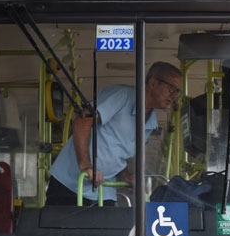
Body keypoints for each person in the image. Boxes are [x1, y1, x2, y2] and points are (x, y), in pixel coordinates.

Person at [46, 61, 183, 206]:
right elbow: (83, 121)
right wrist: (86, 165)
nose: (174, 96)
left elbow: (117, 154)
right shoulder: (122, 96)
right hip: (70, 183)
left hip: (103, 190)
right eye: (171, 88)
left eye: (177, 91)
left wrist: (125, 176)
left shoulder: (151, 123)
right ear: (153, 83)